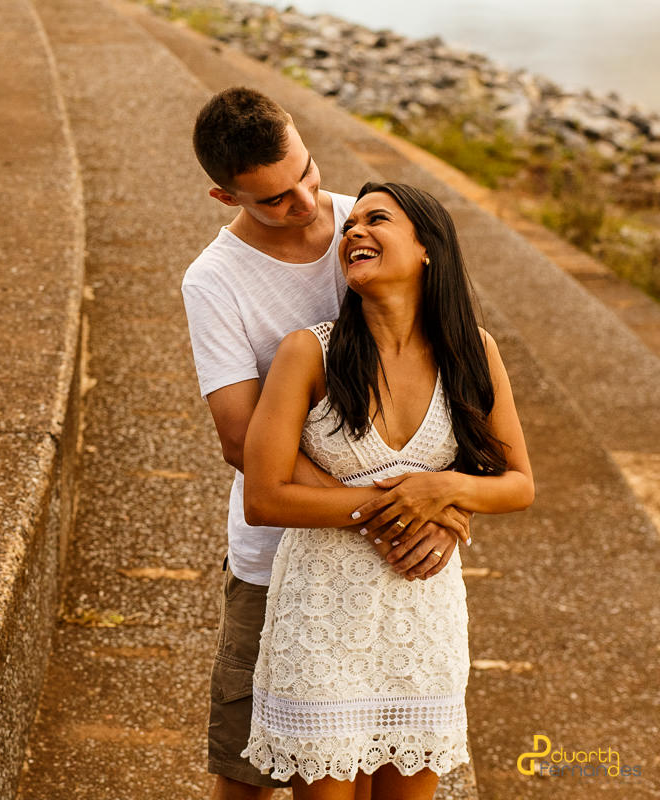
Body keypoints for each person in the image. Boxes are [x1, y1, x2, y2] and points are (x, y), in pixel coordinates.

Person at [182, 88, 471, 800]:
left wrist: (450, 499)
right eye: (275, 199)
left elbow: (451, 371)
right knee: (246, 772)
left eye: (307, 173)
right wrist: (395, 512)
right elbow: (240, 439)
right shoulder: (215, 280)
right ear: (225, 196)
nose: (307, 203)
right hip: (278, 556)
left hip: (397, 559)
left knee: (376, 760)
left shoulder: (370, 224)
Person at [239, 182, 534, 799]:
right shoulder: (308, 353)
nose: (354, 232)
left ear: (428, 248)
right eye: (351, 226)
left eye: (377, 220)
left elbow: (517, 485)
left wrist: (445, 489)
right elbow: (264, 497)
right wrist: (403, 509)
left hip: (423, 616)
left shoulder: (474, 353)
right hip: (320, 618)